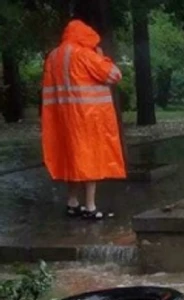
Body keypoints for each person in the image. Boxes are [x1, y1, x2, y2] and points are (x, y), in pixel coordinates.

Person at [41, 19, 125, 220]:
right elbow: (114, 75)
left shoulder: (53, 56)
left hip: (62, 119)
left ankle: (72, 202)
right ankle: (90, 207)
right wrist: (103, 58)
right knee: (90, 161)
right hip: (87, 118)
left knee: (72, 159)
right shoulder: (85, 55)